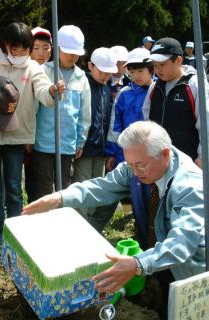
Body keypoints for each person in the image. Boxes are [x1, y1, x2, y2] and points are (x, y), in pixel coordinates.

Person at [23, 121, 205, 317]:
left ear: (165, 154)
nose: (134, 172)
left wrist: (138, 264)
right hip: (153, 258)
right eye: (130, 164)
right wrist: (60, 198)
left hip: (187, 272)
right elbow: (103, 187)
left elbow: (183, 242)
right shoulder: (137, 166)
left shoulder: (189, 186)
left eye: (139, 165)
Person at [0, 22, 64, 242]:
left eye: (24, 50)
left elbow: (43, 90)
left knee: (13, 187)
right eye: (15, 49)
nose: (19, 54)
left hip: (17, 136)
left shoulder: (33, 68)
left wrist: (52, 91)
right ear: (5, 45)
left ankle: (15, 234)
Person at [89, 48, 154, 233]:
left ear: (151, 69)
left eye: (140, 71)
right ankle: (93, 229)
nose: (136, 76)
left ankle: (145, 236)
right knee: (112, 193)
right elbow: (114, 126)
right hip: (123, 155)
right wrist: (112, 152)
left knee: (145, 199)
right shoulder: (124, 94)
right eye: (132, 72)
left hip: (149, 156)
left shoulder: (156, 91)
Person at [32, 25, 91, 199]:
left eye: (76, 53)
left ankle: (59, 223)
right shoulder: (44, 71)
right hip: (42, 142)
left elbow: (84, 114)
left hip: (67, 144)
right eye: (67, 52)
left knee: (63, 189)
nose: (72, 56)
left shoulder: (81, 77)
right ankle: (40, 223)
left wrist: (81, 140)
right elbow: (35, 106)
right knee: (43, 187)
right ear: (57, 48)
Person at [143, 37, 209, 168]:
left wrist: (203, 156)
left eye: (162, 64)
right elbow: (147, 120)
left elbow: (205, 122)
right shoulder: (154, 87)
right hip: (158, 162)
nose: (158, 70)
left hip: (189, 164)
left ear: (178, 60)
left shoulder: (195, 84)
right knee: (157, 190)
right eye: (155, 65)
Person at [72, 47, 117, 221]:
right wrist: (79, 141)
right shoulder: (83, 83)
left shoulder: (107, 89)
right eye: (102, 71)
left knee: (97, 185)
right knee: (82, 185)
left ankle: (90, 222)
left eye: (109, 73)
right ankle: (79, 222)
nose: (105, 76)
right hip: (85, 146)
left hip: (101, 148)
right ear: (91, 65)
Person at [24, 26, 53, 203]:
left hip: (45, 140)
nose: (41, 53)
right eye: (36, 48)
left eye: (46, 48)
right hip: (24, 136)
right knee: (29, 182)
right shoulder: (23, 70)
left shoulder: (54, 71)